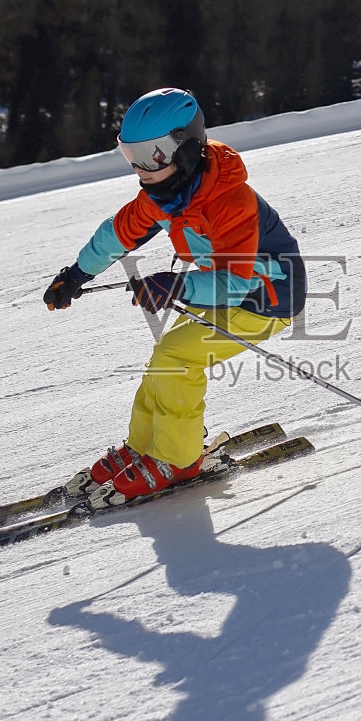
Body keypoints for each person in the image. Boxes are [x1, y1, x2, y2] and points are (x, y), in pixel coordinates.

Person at [42, 88, 306, 502]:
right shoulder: (165, 193)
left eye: (153, 156)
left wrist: (178, 285)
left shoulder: (230, 201)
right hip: (221, 292)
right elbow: (118, 233)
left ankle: (178, 459)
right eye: (131, 156)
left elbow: (237, 281)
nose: (141, 169)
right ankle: (145, 446)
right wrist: (76, 274)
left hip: (266, 296)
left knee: (177, 358)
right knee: (165, 358)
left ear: (186, 148)